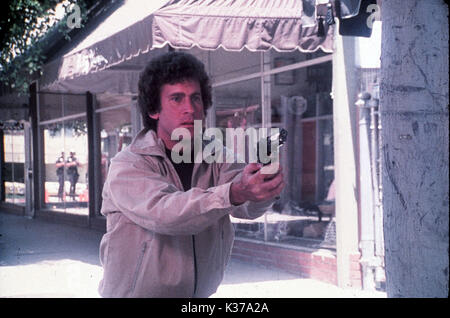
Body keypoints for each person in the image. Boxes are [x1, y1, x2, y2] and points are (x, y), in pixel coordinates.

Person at [98, 52, 284, 298]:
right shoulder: (128, 164)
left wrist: (262, 187)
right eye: (177, 98)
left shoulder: (214, 152)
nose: (190, 108)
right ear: (154, 109)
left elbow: (244, 206)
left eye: (196, 98)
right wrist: (235, 191)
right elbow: (166, 213)